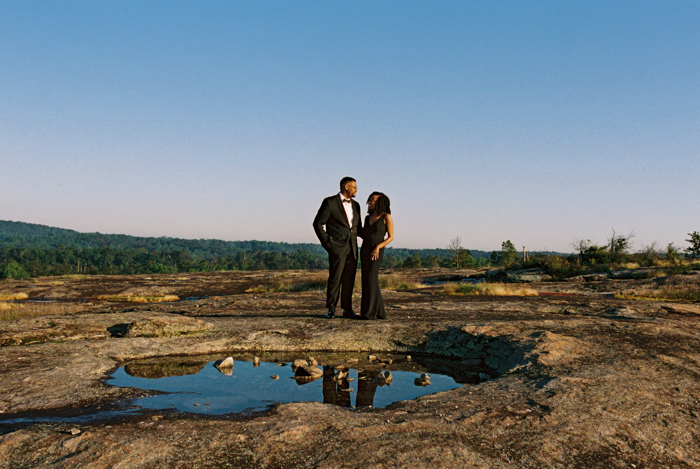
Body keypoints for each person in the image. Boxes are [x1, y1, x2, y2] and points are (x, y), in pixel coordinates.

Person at [313, 177, 362, 319]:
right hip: (336, 247)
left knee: (349, 279)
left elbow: (357, 228)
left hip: (352, 248)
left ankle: (347, 309)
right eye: (354, 187)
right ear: (346, 186)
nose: (356, 190)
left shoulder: (357, 205)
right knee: (335, 278)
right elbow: (317, 224)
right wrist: (327, 242)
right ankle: (331, 309)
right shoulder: (329, 202)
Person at [359, 192, 394, 320]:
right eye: (369, 200)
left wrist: (378, 247)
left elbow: (391, 237)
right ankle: (380, 312)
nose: (369, 202)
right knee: (366, 279)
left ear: (380, 203)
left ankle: (369, 314)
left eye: (372, 200)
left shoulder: (386, 216)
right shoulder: (367, 218)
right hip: (365, 250)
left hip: (377, 251)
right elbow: (363, 234)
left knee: (371, 278)